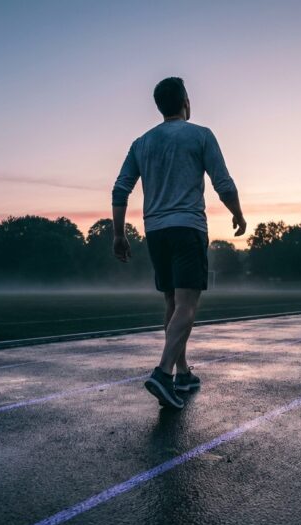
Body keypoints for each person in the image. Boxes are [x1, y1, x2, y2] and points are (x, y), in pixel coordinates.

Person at [111, 77, 246, 409]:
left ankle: (183, 372)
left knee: (172, 302)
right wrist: (238, 214)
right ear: (186, 101)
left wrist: (118, 234)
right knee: (187, 305)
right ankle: (163, 372)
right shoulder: (200, 135)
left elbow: (120, 189)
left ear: (160, 106)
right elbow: (223, 183)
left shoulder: (141, 143)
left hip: (155, 231)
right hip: (187, 227)